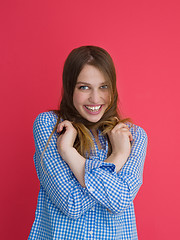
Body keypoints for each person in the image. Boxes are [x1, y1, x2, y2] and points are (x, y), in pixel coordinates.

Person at [28, 45, 148, 239]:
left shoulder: (133, 136)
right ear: (69, 87)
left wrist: (69, 154)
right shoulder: (49, 125)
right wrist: (118, 157)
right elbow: (71, 203)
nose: (95, 98)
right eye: (84, 87)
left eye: (103, 86)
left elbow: (120, 201)